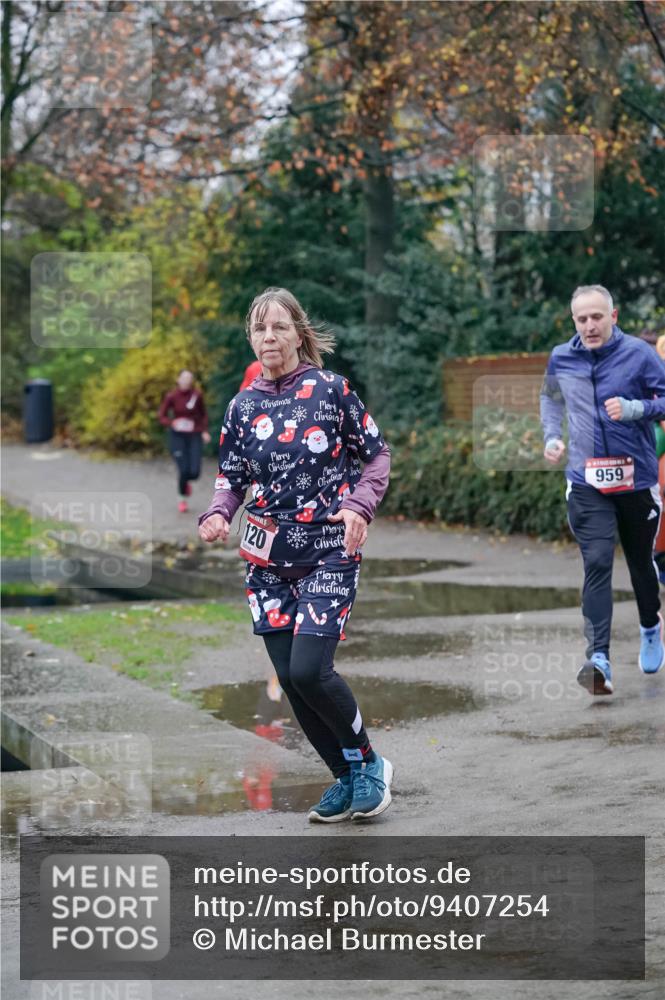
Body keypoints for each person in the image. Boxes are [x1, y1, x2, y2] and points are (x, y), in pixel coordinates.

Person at [198, 287, 393, 822]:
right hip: (267, 561)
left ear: (299, 334)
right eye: (260, 329)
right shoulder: (242, 407)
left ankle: (369, 763)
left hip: (330, 549)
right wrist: (218, 511)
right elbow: (232, 477)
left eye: (279, 327)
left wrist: (359, 507)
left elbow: (377, 459)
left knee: (311, 670)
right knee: (288, 677)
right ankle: (344, 776)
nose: (269, 337)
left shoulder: (331, 390)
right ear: (251, 338)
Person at [541, 285, 665, 695]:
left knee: (640, 562)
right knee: (596, 562)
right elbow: (550, 400)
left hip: (637, 479)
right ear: (573, 320)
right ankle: (599, 659)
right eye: (582, 319)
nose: (590, 325)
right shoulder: (563, 356)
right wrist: (551, 437)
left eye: (597, 316)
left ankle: (650, 625)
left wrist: (636, 409)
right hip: (585, 480)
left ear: (614, 315)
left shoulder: (640, 355)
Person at [158, 369, 211, 513]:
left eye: (189, 378)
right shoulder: (172, 396)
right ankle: (182, 499)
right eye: (184, 378)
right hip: (177, 437)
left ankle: (187, 482)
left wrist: (204, 431)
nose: (187, 381)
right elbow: (161, 416)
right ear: (178, 379)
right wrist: (172, 423)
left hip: (194, 435)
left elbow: (203, 415)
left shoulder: (197, 395)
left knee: (194, 472)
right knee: (183, 470)